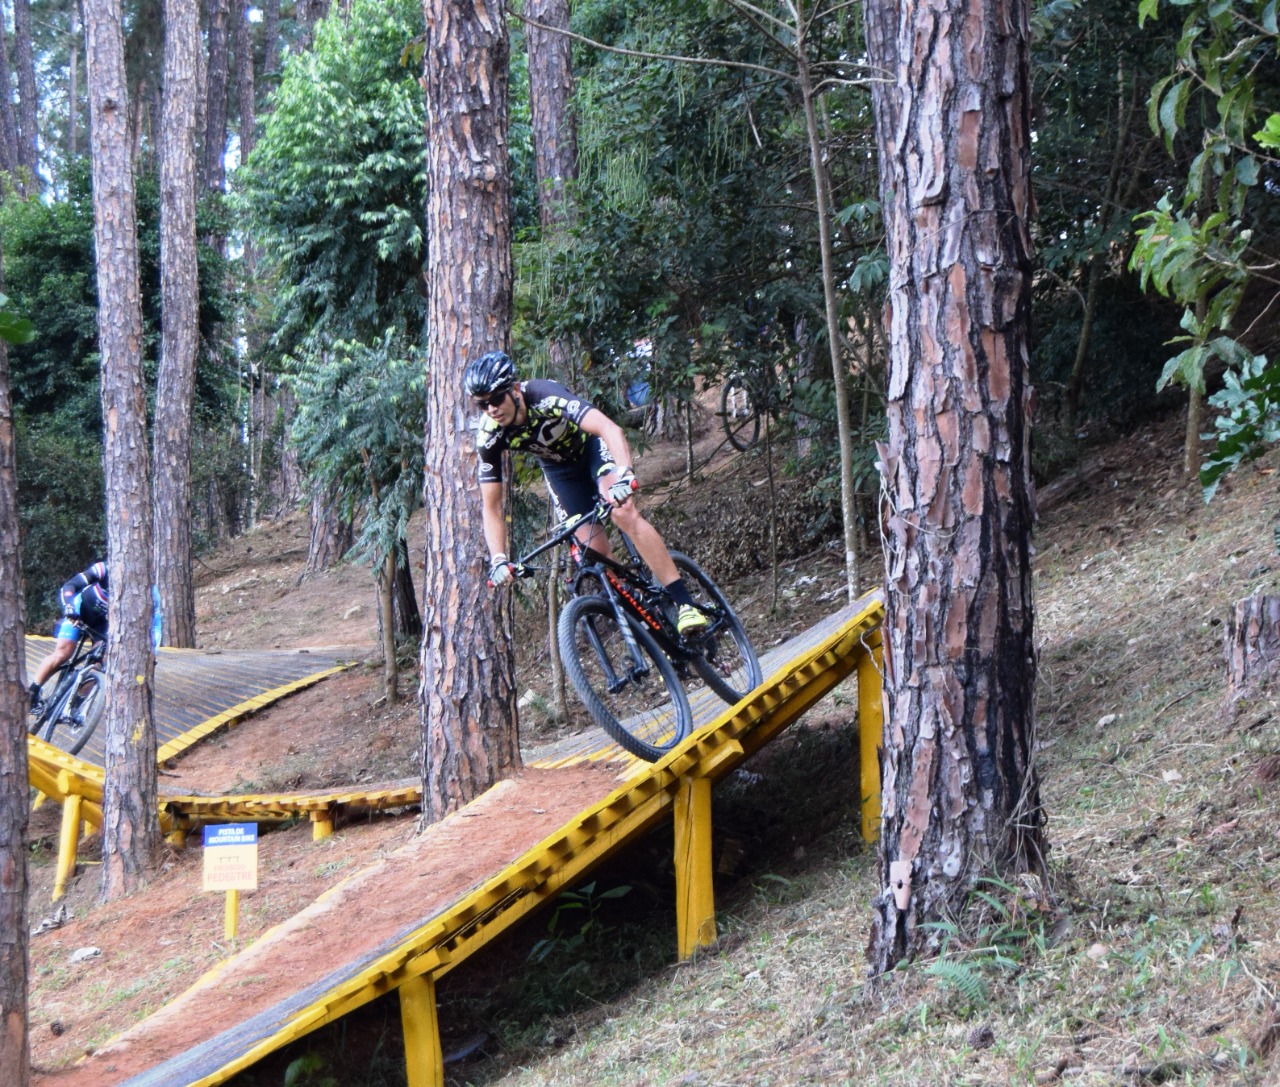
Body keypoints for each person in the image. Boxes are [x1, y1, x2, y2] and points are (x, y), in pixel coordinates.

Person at [465, 350, 708, 635]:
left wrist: (625, 473)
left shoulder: (544, 394)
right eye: (483, 405)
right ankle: (653, 621)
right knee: (595, 553)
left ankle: (684, 603)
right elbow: (491, 506)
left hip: (591, 450)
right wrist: (498, 559)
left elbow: (608, 428)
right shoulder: (490, 435)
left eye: (496, 398)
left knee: (622, 511)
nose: (491, 409)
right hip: (560, 472)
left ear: (515, 390)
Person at [27, 560, 109, 717]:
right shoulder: (104, 569)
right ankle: (32, 693)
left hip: (104, 625)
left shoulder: (147, 588)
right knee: (64, 653)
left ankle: (73, 702)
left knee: (99, 663)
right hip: (80, 611)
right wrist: (70, 607)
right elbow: (70, 586)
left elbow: (155, 624)